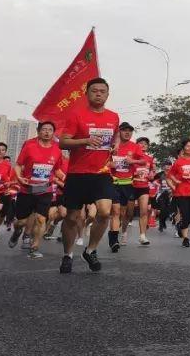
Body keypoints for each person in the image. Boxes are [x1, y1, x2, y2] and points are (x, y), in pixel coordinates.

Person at [58, 77, 120, 274]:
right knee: (71, 217)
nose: (99, 94)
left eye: (103, 91)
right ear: (87, 94)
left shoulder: (113, 116)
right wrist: (85, 140)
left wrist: (116, 144)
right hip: (77, 174)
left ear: (108, 94)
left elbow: (115, 135)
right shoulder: (77, 115)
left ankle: (90, 250)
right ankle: (67, 255)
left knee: (104, 212)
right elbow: (63, 142)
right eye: (94, 91)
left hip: (101, 173)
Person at [11, 121, 64, 258]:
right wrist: (19, 177)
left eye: (50, 130)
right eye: (44, 129)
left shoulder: (57, 149)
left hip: (45, 190)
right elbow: (18, 165)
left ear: (54, 132)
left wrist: (65, 178)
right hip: (27, 189)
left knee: (41, 219)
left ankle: (34, 247)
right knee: (21, 222)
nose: (47, 132)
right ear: (38, 131)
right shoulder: (29, 146)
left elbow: (57, 169)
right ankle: (17, 232)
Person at [107, 122, 143, 252]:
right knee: (115, 212)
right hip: (113, 182)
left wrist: (133, 161)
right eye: (124, 130)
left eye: (130, 131)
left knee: (124, 213)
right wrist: (111, 164)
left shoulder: (135, 147)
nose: (127, 133)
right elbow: (103, 161)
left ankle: (116, 233)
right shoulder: (111, 146)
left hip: (127, 184)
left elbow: (143, 161)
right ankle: (113, 240)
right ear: (119, 132)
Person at [167, 139, 190, 248]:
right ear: (184, 148)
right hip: (181, 192)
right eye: (188, 146)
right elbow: (170, 175)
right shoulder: (179, 162)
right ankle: (185, 238)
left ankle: (180, 226)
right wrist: (175, 182)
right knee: (185, 213)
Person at [127, 137, 155, 245]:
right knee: (128, 213)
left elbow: (152, 170)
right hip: (131, 186)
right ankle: (124, 232)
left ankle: (142, 236)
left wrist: (152, 173)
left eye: (145, 144)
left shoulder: (149, 158)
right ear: (136, 145)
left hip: (143, 187)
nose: (143, 145)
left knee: (143, 211)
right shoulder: (131, 157)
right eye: (140, 143)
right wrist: (134, 174)